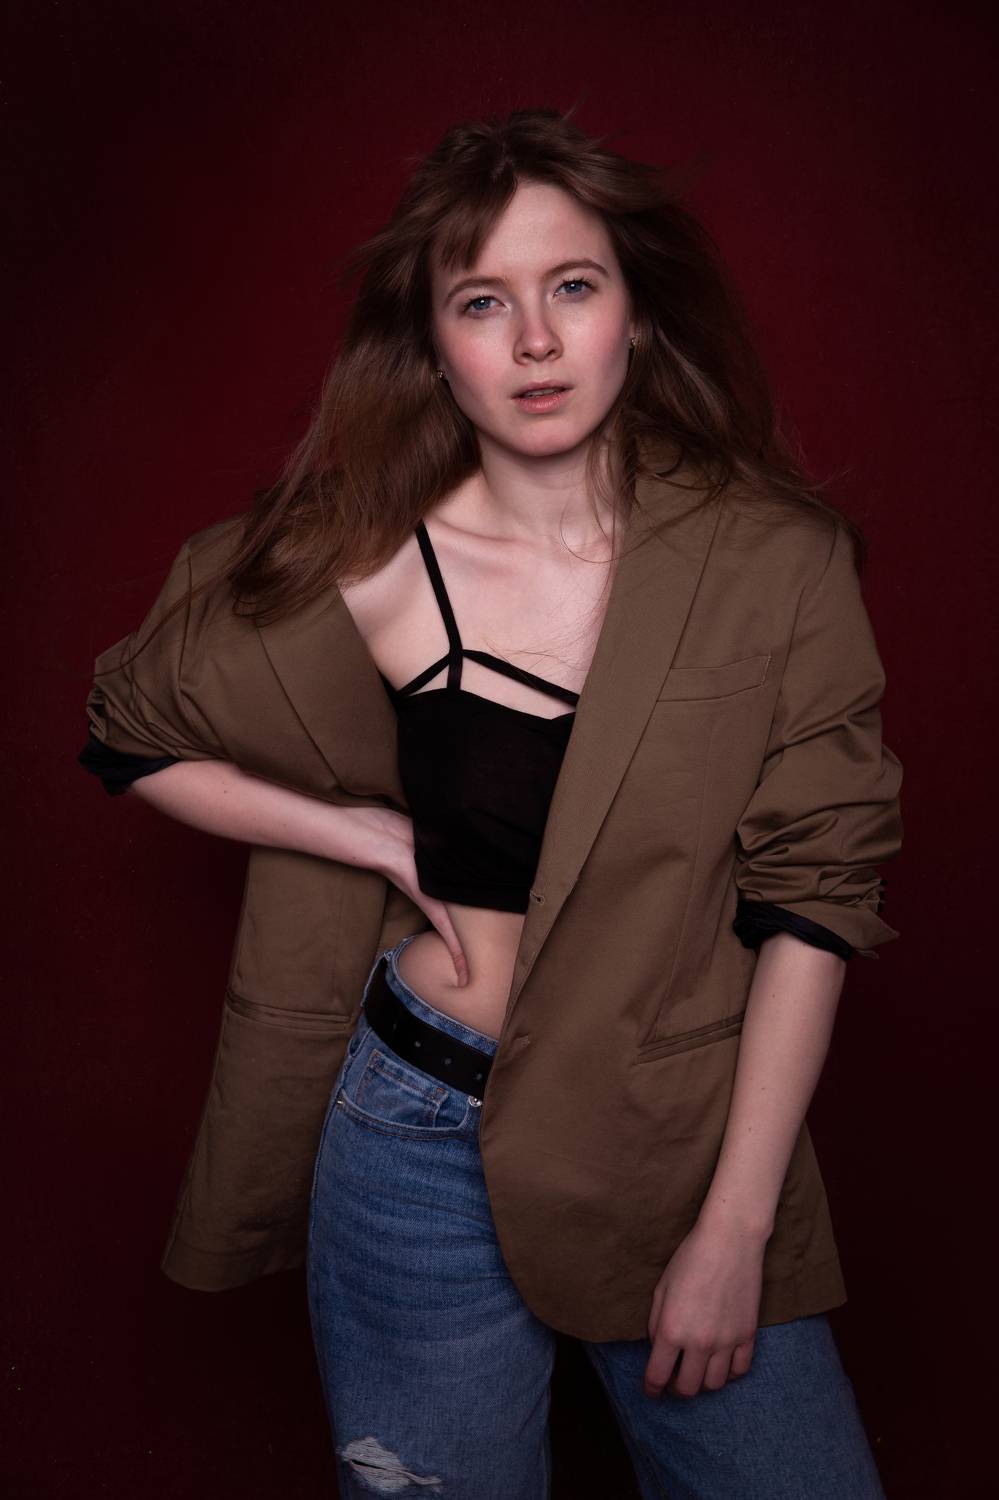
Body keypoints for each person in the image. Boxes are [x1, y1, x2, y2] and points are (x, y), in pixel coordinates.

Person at [79, 107, 902, 1499]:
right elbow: (128, 726)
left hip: (672, 1137)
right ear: (434, 342)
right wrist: (355, 830)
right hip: (414, 1130)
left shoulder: (778, 561)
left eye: (572, 287)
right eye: (482, 301)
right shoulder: (359, 556)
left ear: (635, 313)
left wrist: (735, 1229)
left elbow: (815, 900)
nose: (534, 342)